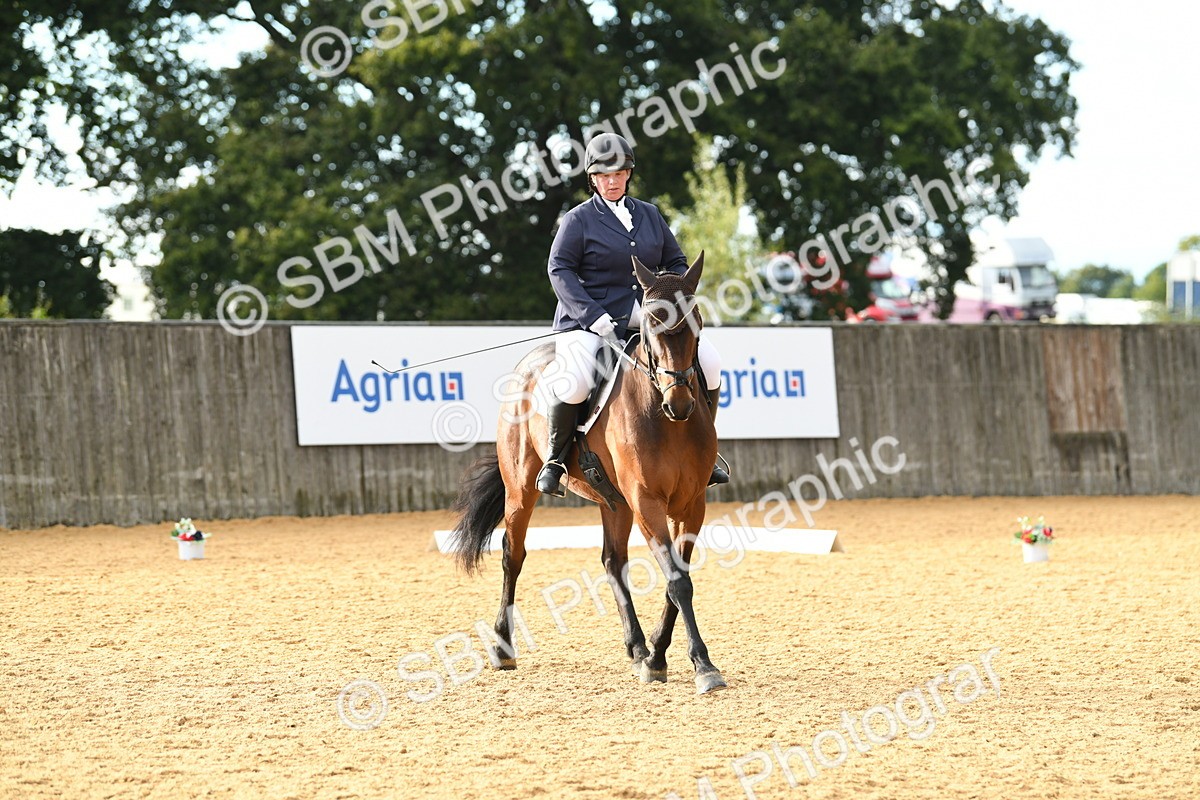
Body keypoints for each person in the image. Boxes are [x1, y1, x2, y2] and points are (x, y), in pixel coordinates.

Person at [536, 132, 729, 497]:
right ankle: (556, 458)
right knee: (575, 378)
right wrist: (592, 315)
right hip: (590, 321)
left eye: (618, 174)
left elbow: (676, 261)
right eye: (603, 176)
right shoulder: (577, 220)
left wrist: (670, 294)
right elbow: (559, 269)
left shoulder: (649, 215)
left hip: (649, 319)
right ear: (593, 179)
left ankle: (706, 449)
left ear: (628, 174)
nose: (612, 181)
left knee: (710, 360)